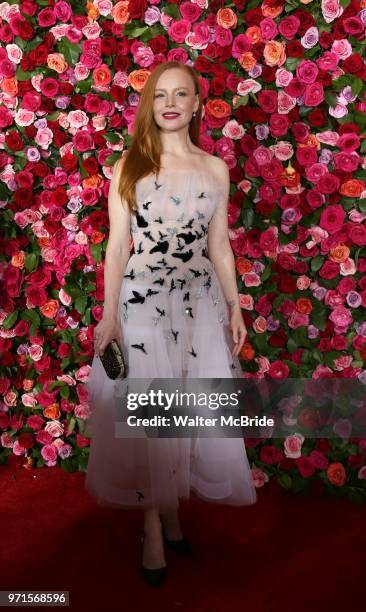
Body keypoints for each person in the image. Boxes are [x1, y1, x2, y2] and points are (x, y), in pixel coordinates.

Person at [85, 60, 257, 588]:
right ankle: (153, 523)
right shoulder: (128, 165)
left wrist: (235, 305)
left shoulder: (215, 169)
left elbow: (220, 245)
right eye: (161, 94)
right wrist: (109, 315)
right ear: (150, 105)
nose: (171, 102)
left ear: (197, 104)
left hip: (199, 302)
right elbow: (116, 248)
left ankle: (170, 507)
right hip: (143, 299)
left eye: (181, 94)